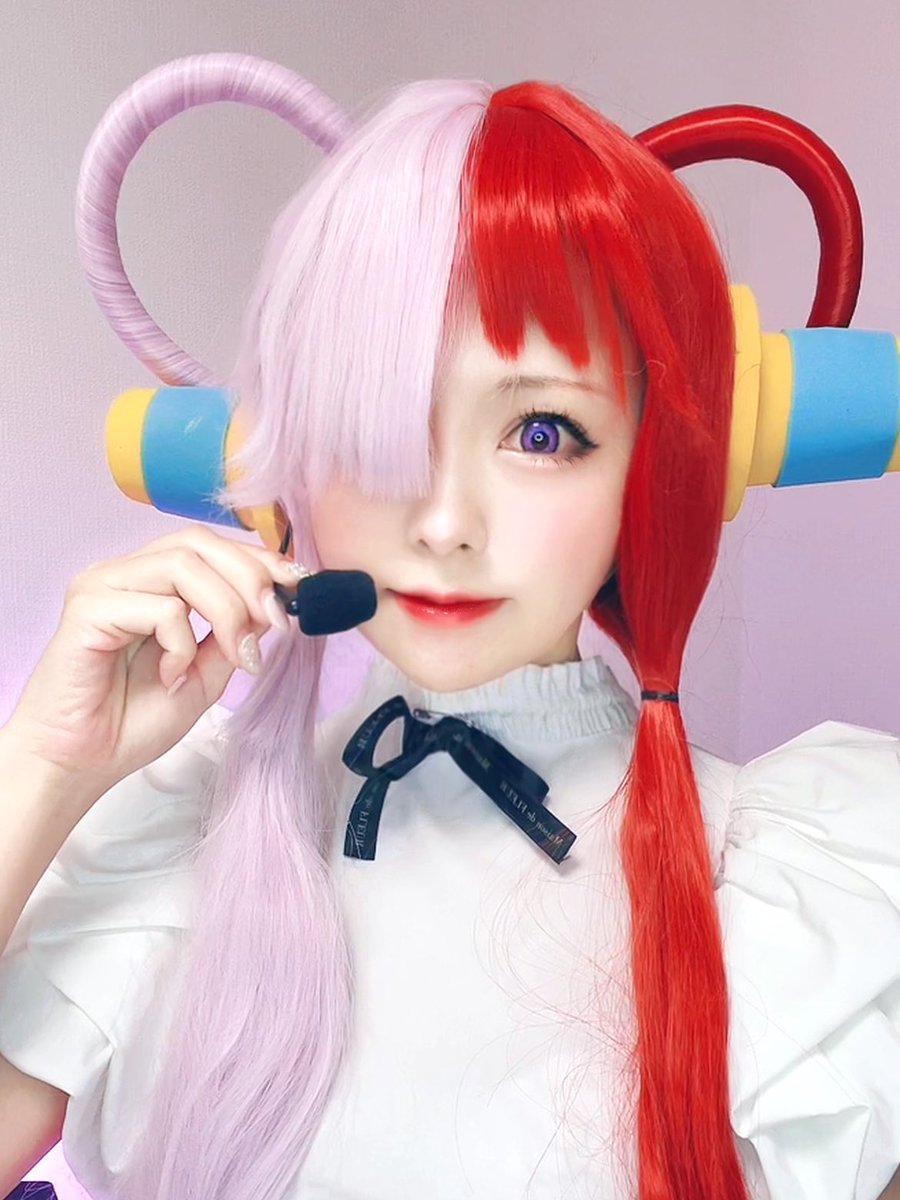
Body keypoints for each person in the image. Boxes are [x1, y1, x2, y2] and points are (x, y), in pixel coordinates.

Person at [1, 67, 899, 1200]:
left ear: (654, 471)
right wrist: (44, 767)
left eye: (542, 432)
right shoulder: (183, 830)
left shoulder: (800, 885)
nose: (443, 523)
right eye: (378, 424)